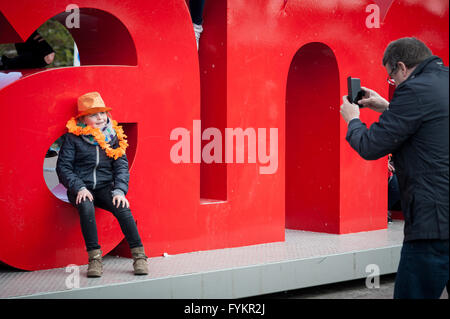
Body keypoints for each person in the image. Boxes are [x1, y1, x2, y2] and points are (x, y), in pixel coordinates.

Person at [339, 37, 449, 299]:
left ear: (401, 67)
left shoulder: (413, 91)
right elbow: (431, 124)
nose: (395, 84)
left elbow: (370, 146)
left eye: (392, 77)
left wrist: (353, 119)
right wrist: (388, 107)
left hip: (433, 225)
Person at [56, 92, 149, 277]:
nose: (99, 118)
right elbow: (63, 167)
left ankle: (139, 256)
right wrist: (79, 187)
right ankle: (95, 259)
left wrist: (120, 190)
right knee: (86, 207)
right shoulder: (73, 138)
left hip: (106, 187)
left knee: (123, 207)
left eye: (102, 113)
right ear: (82, 118)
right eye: (93, 114)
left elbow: (121, 166)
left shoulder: (113, 136)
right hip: (81, 188)